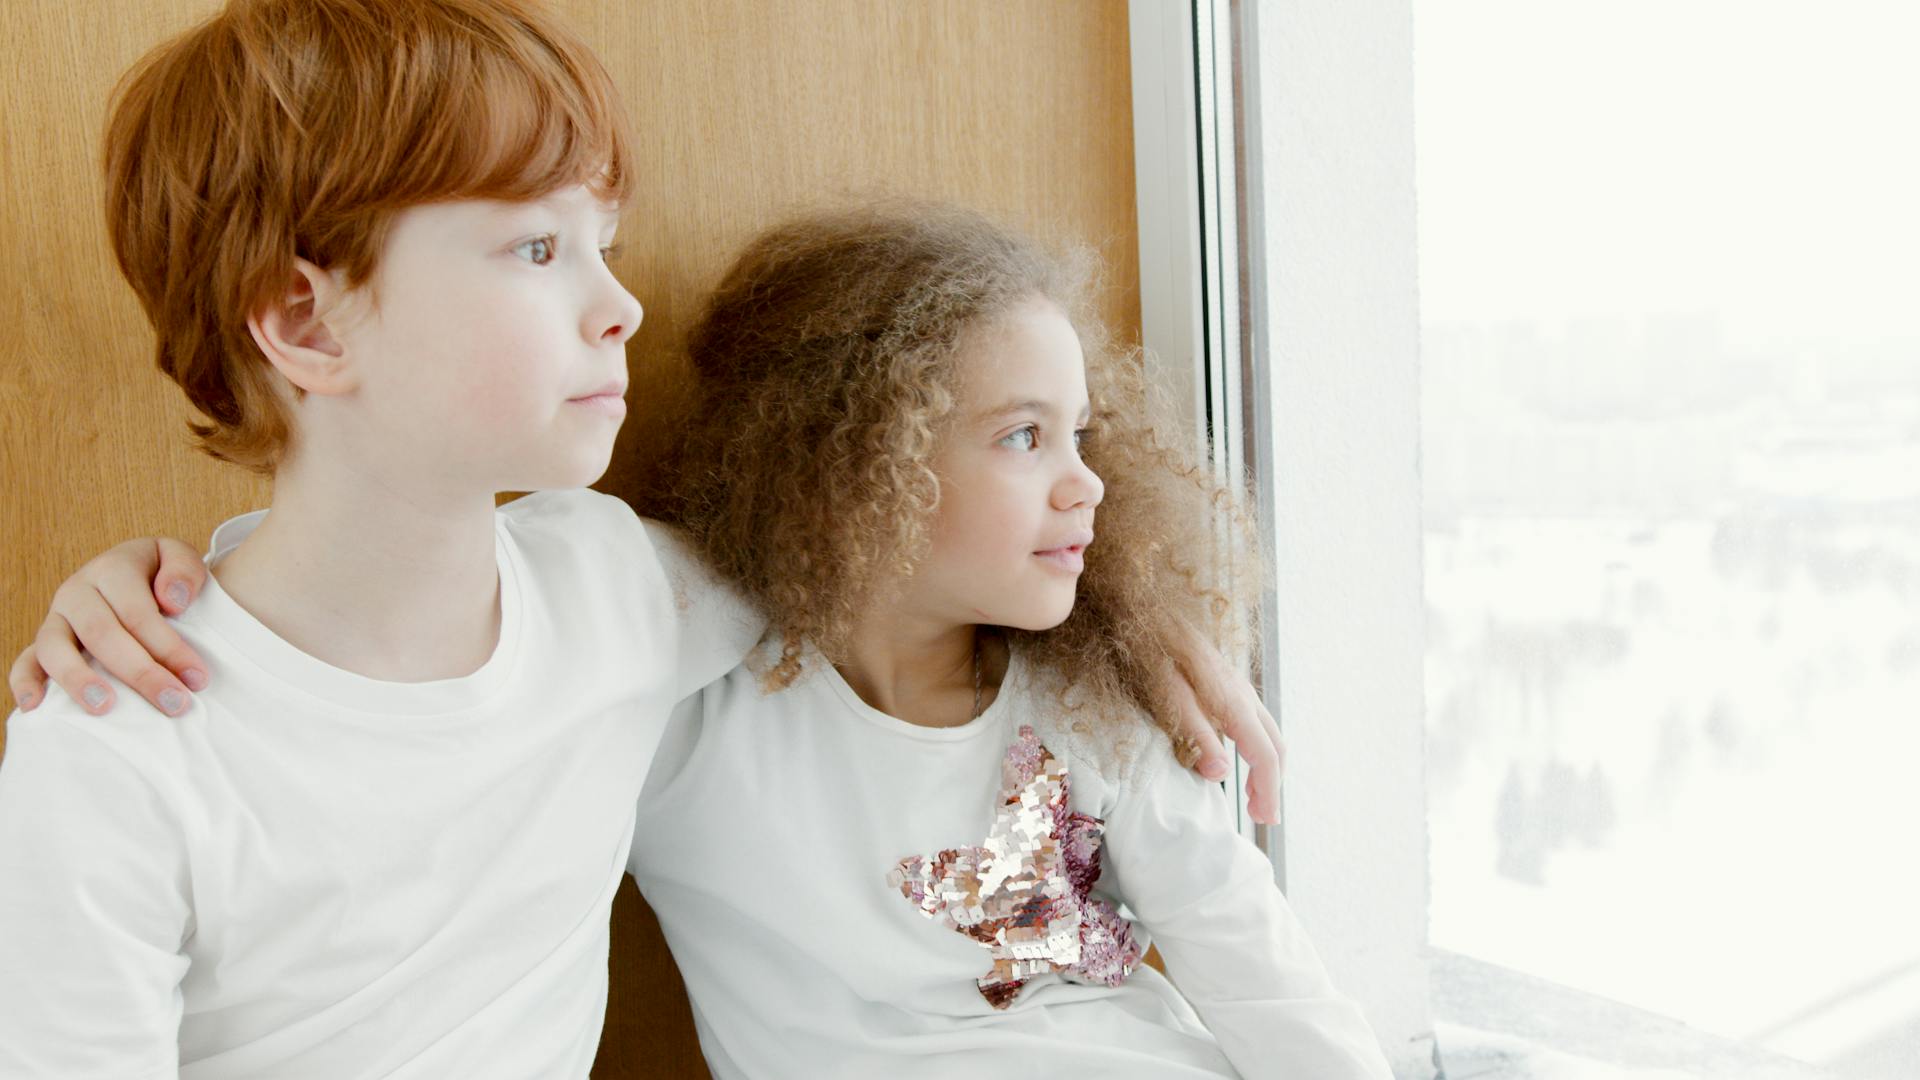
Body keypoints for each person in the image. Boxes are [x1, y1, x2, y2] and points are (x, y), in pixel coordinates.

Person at [0, 4, 1280, 1075]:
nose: (619, 305)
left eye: (602, 245)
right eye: (539, 246)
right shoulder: (114, 750)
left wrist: (1133, 613)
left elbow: (874, 544)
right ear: (308, 322)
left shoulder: (613, 590)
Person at [612, 206, 1392, 1077]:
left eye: (1080, 434)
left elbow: (1265, 980)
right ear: (856, 462)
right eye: (1024, 435)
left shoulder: (1095, 708)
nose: (1088, 480)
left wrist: (1145, 618)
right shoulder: (687, 721)